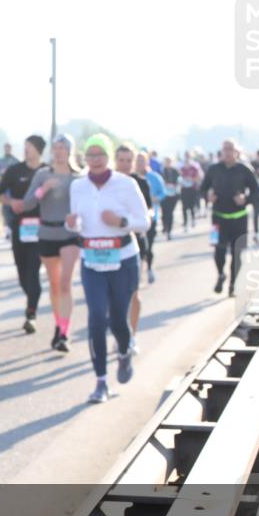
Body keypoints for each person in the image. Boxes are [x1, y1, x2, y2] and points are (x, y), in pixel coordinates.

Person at [66, 133, 149, 404]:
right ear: (84, 158)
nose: (96, 160)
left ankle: (124, 353)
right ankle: (100, 382)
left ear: (109, 156)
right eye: (90, 155)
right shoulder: (77, 186)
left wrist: (120, 221)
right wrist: (72, 224)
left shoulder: (125, 184)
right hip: (92, 259)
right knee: (96, 318)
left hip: (123, 258)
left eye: (100, 154)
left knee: (117, 321)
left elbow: (143, 221)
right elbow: (78, 224)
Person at [23, 133, 80, 352]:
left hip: (69, 235)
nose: (58, 151)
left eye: (62, 148)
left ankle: (64, 333)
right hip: (47, 233)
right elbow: (27, 204)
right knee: (55, 285)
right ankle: (59, 324)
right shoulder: (42, 175)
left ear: (69, 151)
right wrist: (43, 190)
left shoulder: (78, 177)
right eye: (55, 147)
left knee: (66, 283)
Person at [0, 135, 46, 333]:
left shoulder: (46, 171)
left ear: (39, 150)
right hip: (19, 227)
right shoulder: (15, 170)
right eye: (24, 146)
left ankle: (31, 314)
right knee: (22, 273)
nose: (26, 150)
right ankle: (31, 298)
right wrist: (11, 203)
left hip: (42, 228)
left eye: (30, 147)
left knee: (33, 270)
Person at [201, 139, 259, 297]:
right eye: (224, 149)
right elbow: (203, 189)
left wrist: (245, 199)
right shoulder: (214, 169)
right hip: (218, 219)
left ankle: (233, 284)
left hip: (239, 219)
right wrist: (208, 196)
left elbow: (256, 192)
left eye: (230, 149)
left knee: (237, 253)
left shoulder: (245, 170)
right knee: (218, 251)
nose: (227, 152)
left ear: (236, 152)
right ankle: (221, 274)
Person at [115, 145, 152, 353]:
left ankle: (131, 336)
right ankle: (120, 332)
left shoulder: (140, 183)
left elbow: (147, 211)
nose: (126, 164)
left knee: (133, 293)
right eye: (121, 160)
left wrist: (144, 220)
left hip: (136, 243)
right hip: (112, 247)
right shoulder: (107, 184)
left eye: (129, 160)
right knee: (116, 297)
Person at [137, 151, 165, 284]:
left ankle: (149, 269)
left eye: (142, 161)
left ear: (147, 162)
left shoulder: (154, 177)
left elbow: (163, 192)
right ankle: (138, 273)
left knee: (149, 247)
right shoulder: (130, 179)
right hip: (135, 221)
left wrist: (156, 198)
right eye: (137, 161)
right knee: (138, 248)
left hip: (151, 218)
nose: (139, 163)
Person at [0, 142, 19, 240]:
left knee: (14, 209)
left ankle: (14, 228)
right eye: (6, 148)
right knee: (6, 210)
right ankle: (8, 230)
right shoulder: (0, 161)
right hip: (4, 188)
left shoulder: (15, 161)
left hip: (14, 188)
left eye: (9, 148)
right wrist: (1, 171)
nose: (7, 150)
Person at [180, 152, 204, 231]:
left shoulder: (195, 167)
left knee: (192, 206)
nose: (186, 158)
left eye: (188, 156)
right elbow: (179, 178)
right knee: (184, 207)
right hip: (184, 189)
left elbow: (199, 177)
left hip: (192, 189)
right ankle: (185, 223)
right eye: (185, 156)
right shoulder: (182, 168)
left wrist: (192, 179)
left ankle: (193, 219)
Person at [160, 156, 181, 240]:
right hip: (164, 195)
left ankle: (169, 231)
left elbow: (179, 181)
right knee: (164, 213)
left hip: (173, 195)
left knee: (170, 213)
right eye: (166, 161)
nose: (168, 163)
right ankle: (165, 226)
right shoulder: (162, 171)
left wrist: (174, 185)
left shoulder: (175, 171)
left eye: (169, 161)